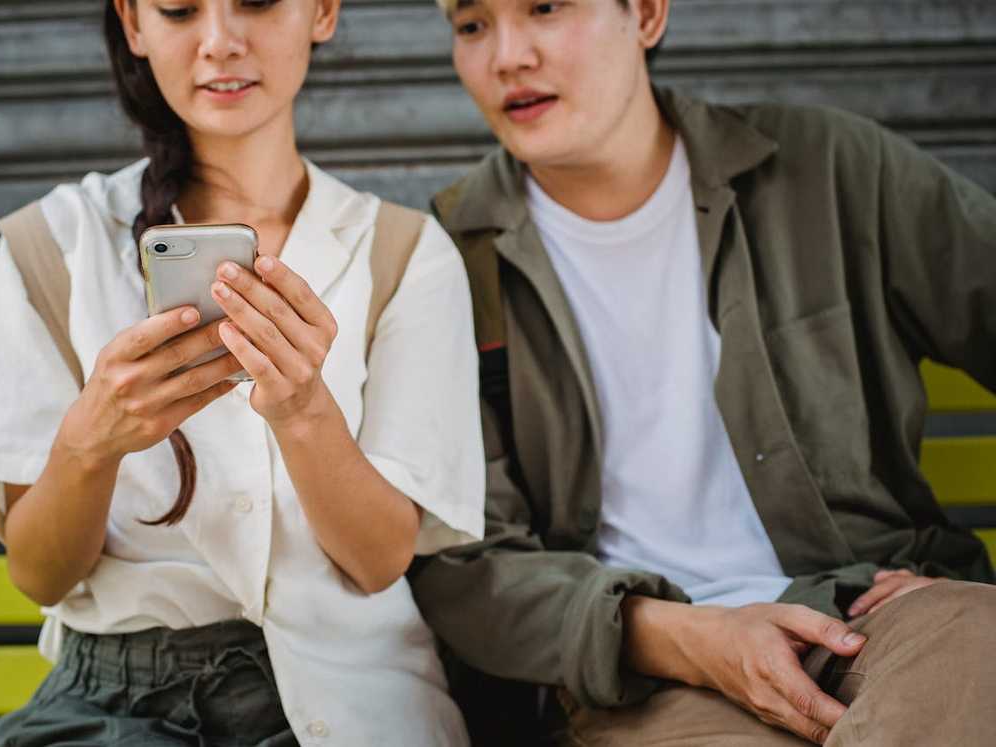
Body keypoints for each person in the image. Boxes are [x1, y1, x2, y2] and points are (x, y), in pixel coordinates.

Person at [408, 0, 996, 744]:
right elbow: (467, 565)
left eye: (546, 8)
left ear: (647, 14)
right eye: (471, 26)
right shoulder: (450, 262)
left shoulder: (826, 169)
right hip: (651, 675)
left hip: (882, 614)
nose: (507, 56)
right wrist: (684, 636)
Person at [0, 0, 484, 744]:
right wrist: (91, 441)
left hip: (342, 697)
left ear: (323, 11)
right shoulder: (52, 247)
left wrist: (304, 412)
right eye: (178, 10)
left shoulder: (403, 255)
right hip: (112, 705)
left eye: (258, 3)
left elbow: (378, 560)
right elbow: (41, 575)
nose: (220, 42)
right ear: (134, 25)